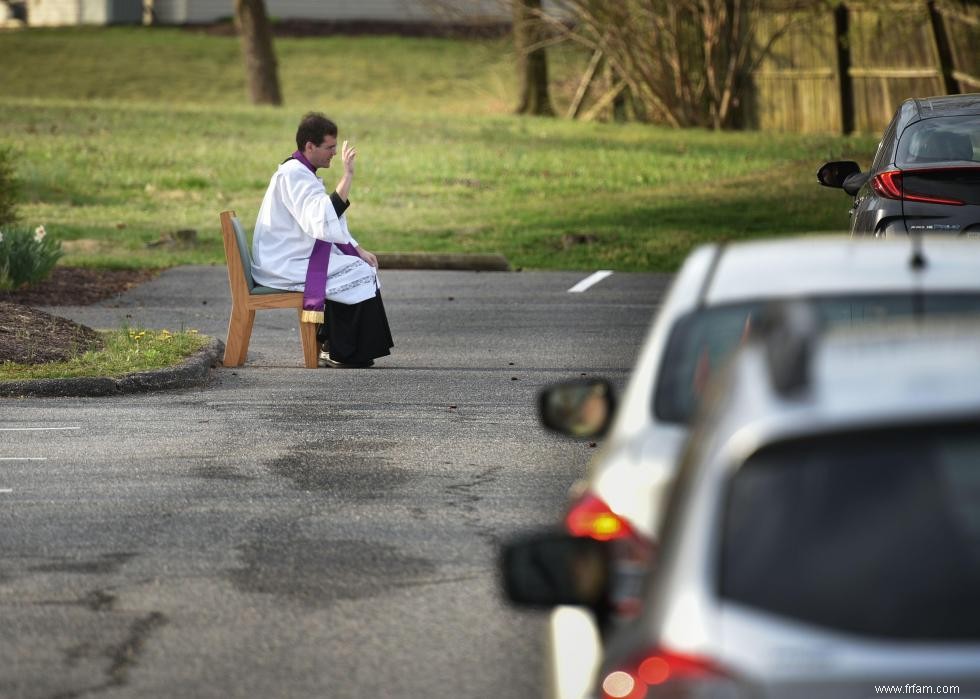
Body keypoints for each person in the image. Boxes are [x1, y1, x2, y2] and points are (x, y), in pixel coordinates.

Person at [251, 112, 393, 368]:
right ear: (309, 146)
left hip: (292, 255)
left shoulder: (303, 173)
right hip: (283, 262)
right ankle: (342, 351)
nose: (333, 154)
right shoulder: (293, 175)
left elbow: (327, 220)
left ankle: (336, 345)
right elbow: (319, 221)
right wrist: (347, 176)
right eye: (329, 148)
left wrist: (357, 248)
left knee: (359, 266)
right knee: (356, 271)